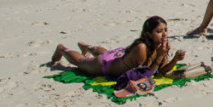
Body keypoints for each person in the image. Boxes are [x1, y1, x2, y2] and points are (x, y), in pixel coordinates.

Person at [51, 15, 185, 78]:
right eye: (159, 31)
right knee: (80, 61)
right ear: (148, 34)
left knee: (107, 52)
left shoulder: (162, 46)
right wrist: (160, 55)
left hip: (118, 56)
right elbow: (145, 74)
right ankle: (62, 48)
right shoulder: (141, 48)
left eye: (165, 30)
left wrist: (174, 60)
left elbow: (161, 70)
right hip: (105, 65)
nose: (164, 34)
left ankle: (86, 46)